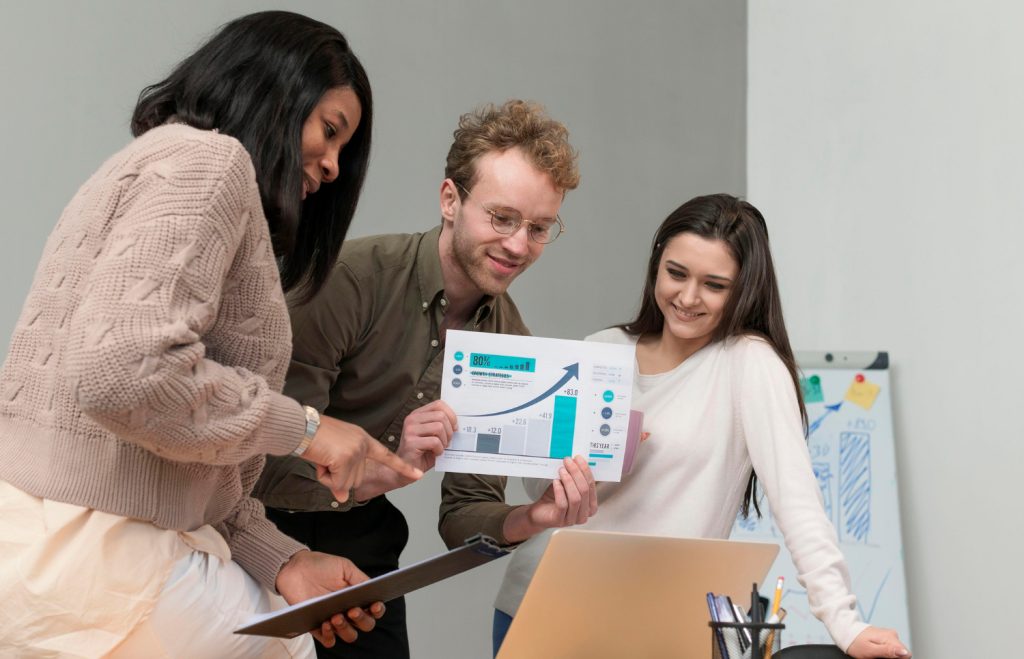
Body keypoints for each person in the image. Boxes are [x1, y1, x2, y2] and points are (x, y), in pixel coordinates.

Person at [0, 11, 423, 658]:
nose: (334, 165)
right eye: (329, 130)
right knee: (291, 648)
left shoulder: (147, 164)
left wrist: (286, 561)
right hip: (103, 555)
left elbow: (176, 451)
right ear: (275, 92)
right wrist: (309, 429)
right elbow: (123, 372)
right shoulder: (212, 162)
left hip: (38, 545)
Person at [485, 194, 912, 658]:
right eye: (676, 273)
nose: (688, 298)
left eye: (714, 284)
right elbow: (538, 491)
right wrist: (587, 461)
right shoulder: (604, 348)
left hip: (658, 621)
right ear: (656, 265)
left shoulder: (748, 364)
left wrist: (844, 622)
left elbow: (798, 502)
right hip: (540, 603)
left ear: (744, 288)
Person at [254, 99, 597, 659]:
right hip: (255, 529)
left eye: (538, 228)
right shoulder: (349, 281)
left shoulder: (512, 343)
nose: (518, 245)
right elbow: (263, 457)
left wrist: (534, 517)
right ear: (449, 200)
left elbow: (464, 518)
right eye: (502, 217)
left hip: (361, 539)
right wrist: (387, 465)